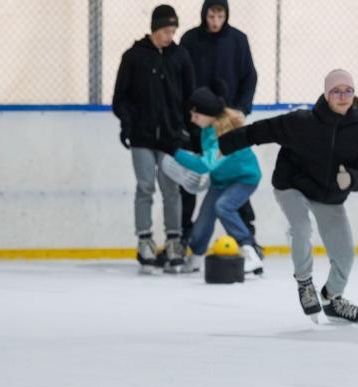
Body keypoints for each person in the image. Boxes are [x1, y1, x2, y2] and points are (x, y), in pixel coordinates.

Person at [218, 69, 358, 324]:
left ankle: (333, 299)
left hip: (329, 195)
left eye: (348, 91)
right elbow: (260, 131)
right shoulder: (302, 122)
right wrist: (224, 145)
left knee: (345, 253)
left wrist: (352, 179)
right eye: (336, 91)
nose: (342, 96)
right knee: (301, 228)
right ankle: (305, 283)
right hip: (292, 185)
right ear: (327, 94)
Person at [112, 4, 195, 274]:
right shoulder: (134, 57)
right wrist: (128, 124)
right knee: (145, 187)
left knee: (171, 189)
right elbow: (120, 98)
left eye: (173, 31)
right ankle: (145, 241)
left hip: (171, 137)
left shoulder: (180, 56)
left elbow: (190, 97)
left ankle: (173, 241)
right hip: (142, 136)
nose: (170, 36)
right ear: (154, 29)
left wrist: (186, 131)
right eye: (165, 31)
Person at [180, 0, 260, 255]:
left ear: (226, 15)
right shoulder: (190, 40)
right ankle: (185, 237)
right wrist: (187, 116)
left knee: (233, 178)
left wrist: (242, 109)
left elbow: (249, 76)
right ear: (204, 15)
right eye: (211, 16)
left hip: (227, 123)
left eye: (220, 16)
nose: (215, 22)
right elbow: (181, 79)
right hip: (196, 122)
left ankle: (248, 237)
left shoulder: (238, 40)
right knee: (190, 180)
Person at [173, 84, 262, 274]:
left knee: (224, 206)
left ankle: (250, 252)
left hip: (244, 179)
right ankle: (196, 258)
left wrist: (173, 151)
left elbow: (205, 165)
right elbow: (208, 159)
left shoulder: (225, 134)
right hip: (220, 182)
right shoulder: (208, 129)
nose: (192, 119)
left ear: (208, 114)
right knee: (203, 222)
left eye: (196, 115)